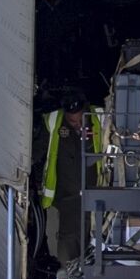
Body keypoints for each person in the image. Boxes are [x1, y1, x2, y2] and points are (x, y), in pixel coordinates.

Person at [39, 96, 104, 264]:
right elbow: (41, 151)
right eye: (72, 121)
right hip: (67, 196)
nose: (77, 125)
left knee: (97, 235)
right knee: (68, 239)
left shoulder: (100, 118)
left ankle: (93, 273)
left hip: (96, 192)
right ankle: (69, 275)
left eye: (80, 120)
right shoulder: (54, 122)